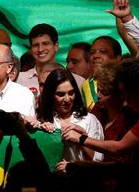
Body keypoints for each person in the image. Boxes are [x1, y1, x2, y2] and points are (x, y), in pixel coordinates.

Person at [62, 58, 139, 192]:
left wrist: (82, 141)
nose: (98, 95)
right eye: (98, 89)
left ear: (120, 94)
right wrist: (84, 135)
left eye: (104, 92)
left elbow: (120, 151)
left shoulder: (130, 117)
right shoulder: (98, 110)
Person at [36, 68, 104, 166]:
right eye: (60, 94)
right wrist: (43, 134)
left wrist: (82, 137)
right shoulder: (42, 119)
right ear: (50, 95)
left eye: (71, 93)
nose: (67, 99)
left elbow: (97, 162)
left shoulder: (88, 120)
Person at [17, 23, 85, 98]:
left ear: (56, 46)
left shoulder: (78, 81)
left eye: (45, 44)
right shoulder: (19, 79)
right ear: (31, 49)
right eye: (36, 45)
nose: (40, 49)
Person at [81, 36, 122, 112]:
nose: (95, 56)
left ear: (118, 58)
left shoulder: (123, 81)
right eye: (92, 52)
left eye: (103, 52)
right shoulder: (86, 84)